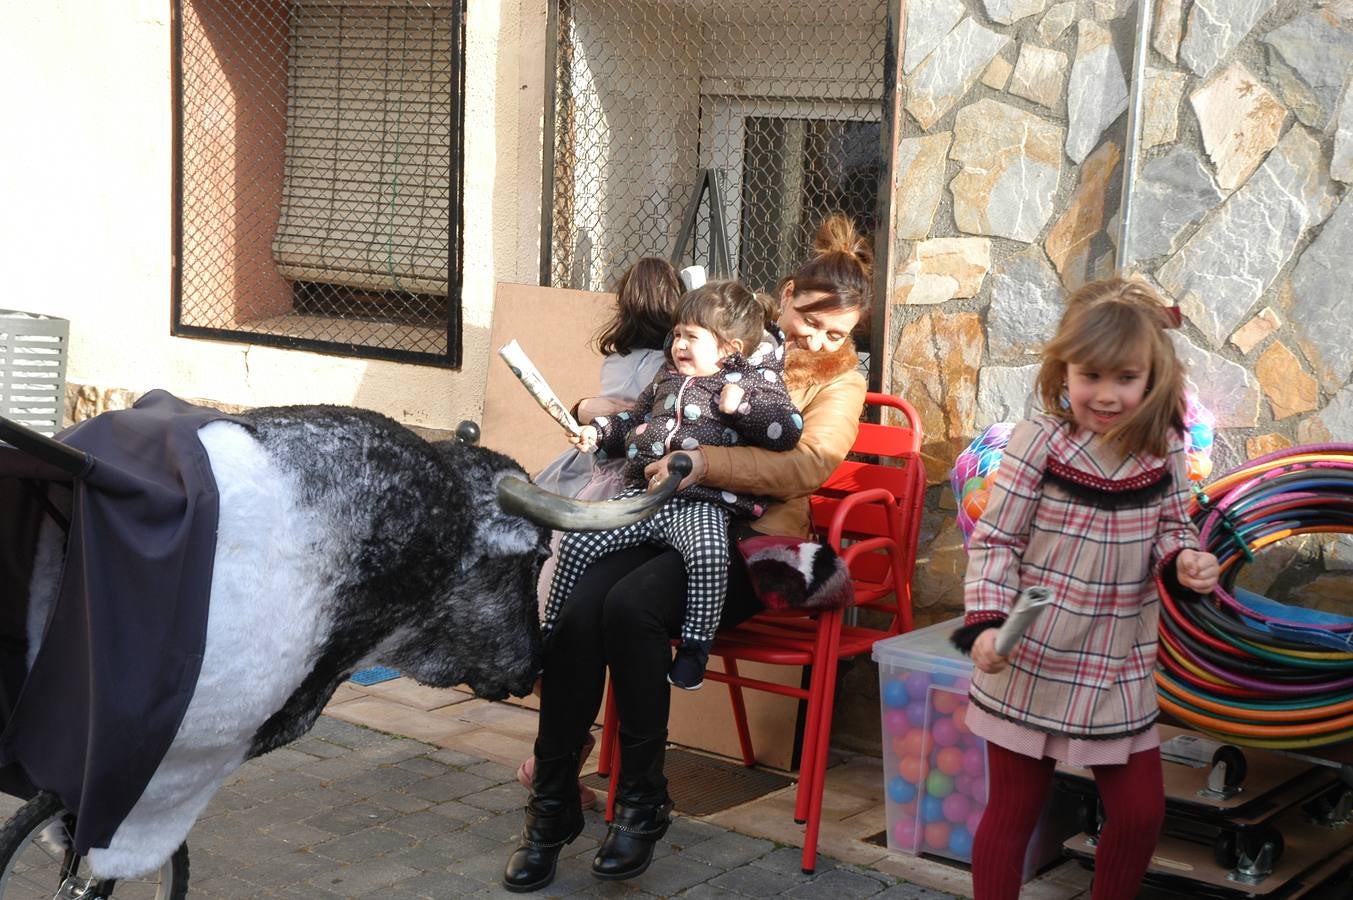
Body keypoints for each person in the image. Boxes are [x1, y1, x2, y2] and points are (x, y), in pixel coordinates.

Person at [502, 214, 873, 893]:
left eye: (834, 334)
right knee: (582, 605)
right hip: (661, 513)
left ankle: (641, 802)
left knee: (631, 608)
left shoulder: (837, 384)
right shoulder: (727, 330)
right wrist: (608, 416)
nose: (813, 339)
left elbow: (807, 467)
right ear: (786, 294)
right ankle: (551, 804)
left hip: (750, 545)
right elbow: (657, 399)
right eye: (808, 320)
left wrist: (703, 462)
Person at [950, 277, 1221, 900]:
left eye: (1124, 378)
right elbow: (997, 543)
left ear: (1152, 378)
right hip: (1028, 650)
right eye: (1089, 376)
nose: (1105, 395)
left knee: (1139, 812)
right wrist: (988, 623)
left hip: (1118, 654)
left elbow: (1173, 529)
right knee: (1015, 809)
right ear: (1063, 371)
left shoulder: (1165, 451)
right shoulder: (1039, 445)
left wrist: (1185, 562)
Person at [547, 280, 803, 691]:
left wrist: (742, 407)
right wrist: (597, 432)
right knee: (578, 542)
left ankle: (694, 649)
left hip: (699, 503)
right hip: (646, 498)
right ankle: (553, 628)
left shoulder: (748, 384)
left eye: (692, 337)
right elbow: (632, 422)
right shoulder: (666, 379)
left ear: (729, 348)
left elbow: (787, 431)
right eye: (678, 334)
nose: (680, 344)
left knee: (709, 554)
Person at [516, 256, 683, 811]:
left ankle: (561, 742)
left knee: (552, 596)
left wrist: (592, 408)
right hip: (620, 482)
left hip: (588, 477)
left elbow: (609, 417)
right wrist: (596, 409)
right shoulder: (672, 363)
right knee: (571, 598)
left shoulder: (621, 357)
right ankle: (564, 748)